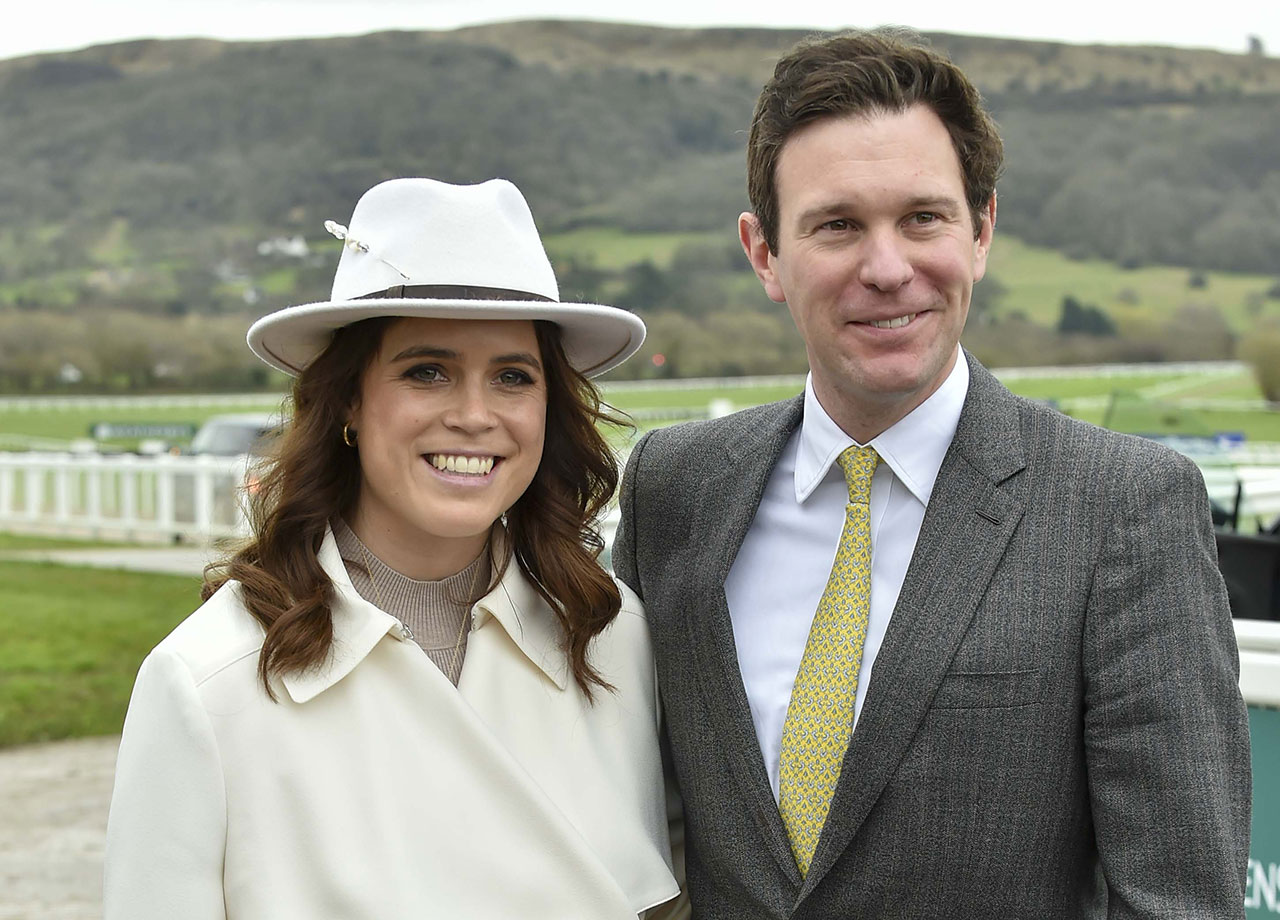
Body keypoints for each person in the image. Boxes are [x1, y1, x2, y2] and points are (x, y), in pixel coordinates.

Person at [613, 29, 1251, 919]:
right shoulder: (674, 487)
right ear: (764, 254)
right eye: (837, 225)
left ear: (981, 229)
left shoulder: (1124, 508)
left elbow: (1179, 901)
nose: (886, 268)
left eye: (923, 217)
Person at [104, 177, 681, 919]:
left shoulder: (611, 635)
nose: (474, 416)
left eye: (512, 376)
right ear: (349, 399)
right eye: (427, 372)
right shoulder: (208, 685)